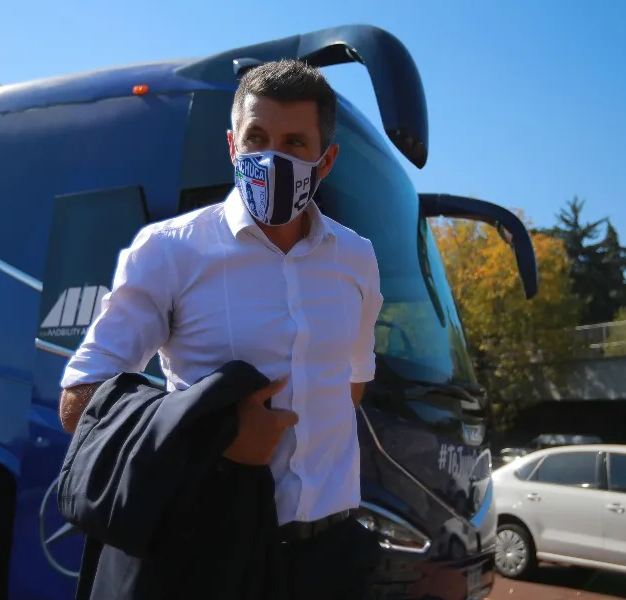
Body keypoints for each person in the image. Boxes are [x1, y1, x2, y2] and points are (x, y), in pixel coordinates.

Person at [58, 58, 385, 599]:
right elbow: (79, 403)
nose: (271, 158)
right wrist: (214, 436)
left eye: (294, 143)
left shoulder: (357, 259)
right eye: (256, 138)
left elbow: (351, 382)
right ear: (233, 146)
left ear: (325, 161)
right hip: (213, 555)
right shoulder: (170, 251)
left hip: (333, 563)